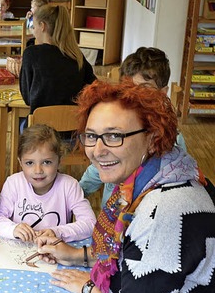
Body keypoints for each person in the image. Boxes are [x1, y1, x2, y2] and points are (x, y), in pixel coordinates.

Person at [37, 80, 215, 293]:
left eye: (114, 136)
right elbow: (134, 254)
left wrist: (89, 289)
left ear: (152, 139)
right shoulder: (163, 175)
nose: (98, 151)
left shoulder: (163, 211)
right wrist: (75, 255)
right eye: (91, 136)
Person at [79, 47, 188, 206]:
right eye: (128, 88)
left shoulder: (173, 142)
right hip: (111, 220)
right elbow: (96, 170)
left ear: (163, 92)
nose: (135, 97)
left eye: (144, 89)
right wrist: (70, 195)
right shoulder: (111, 130)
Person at [0, 124, 96, 243]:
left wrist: (57, 232)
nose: (38, 171)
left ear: (59, 160)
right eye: (30, 163)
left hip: (54, 253)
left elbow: (90, 223)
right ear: (20, 162)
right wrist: (13, 229)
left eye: (46, 162)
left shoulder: (69, 185)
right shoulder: (13, 183)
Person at [19, 4, 96, 115]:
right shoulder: (76, 55)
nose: (34, 33)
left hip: (41, 129)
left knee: (21, 122)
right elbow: (93, 86)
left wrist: (21, 74)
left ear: (42, 26)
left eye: (34, 28)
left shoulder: (31, 54)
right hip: (73, 127)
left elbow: (27, 99)